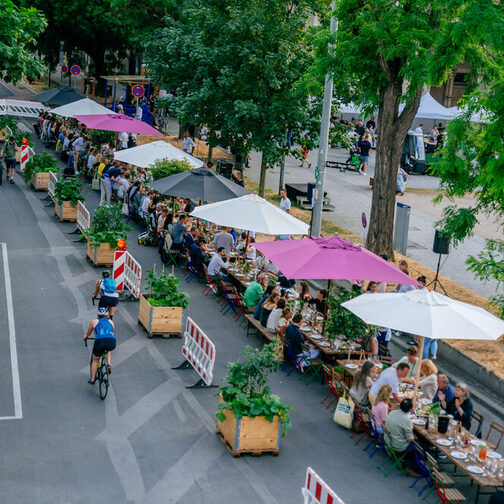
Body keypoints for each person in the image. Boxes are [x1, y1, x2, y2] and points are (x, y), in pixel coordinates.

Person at [384, 398, 419, 477]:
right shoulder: (407, 421)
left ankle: (405, 460)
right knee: (418, 447)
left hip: (388, 440)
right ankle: (409, 467)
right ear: (410, 409)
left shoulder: (392, 412)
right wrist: (414, 437)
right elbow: (410, 439)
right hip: (397, 445)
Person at [83, 307, 116, 384]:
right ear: (107, 315)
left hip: (100, 340)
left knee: (95, 360)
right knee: (108, 350)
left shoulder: (94, 321)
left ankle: (93, 379)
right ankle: (108, 364)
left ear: (98, 314)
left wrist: (86, 336)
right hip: (111, 340)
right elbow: (112, 332)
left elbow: (89, 333)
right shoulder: (111, 322)